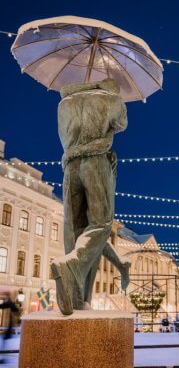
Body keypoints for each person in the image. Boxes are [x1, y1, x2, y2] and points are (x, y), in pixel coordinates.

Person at [51, 78, 131, 315]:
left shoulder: (63, 103)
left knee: (74, 231)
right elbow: (122, 124)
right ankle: (71, 265)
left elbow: (65, 135)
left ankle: (76, 299)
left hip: (70, 168)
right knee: (102, 224)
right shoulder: (112, 98)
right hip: (95, 164)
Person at [0, 292, 19, 364]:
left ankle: (2, 357)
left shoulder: (10, 303)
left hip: (9, 327)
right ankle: (2, 357)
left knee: (4, 343)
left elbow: (3, 306)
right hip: (9, 327)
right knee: (4, 343)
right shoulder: (11, 304)